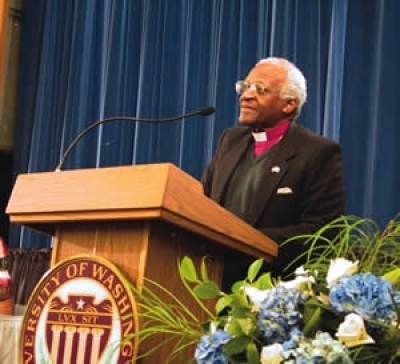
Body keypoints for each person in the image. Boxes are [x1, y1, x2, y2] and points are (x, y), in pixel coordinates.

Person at [201, 57, 345, 289]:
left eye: (260, 89)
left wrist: (246, 240)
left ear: (289, 104)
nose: (246, 95)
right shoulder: (230, 140)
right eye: (245, 86)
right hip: (212, 281)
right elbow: (201, 202)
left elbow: (321, 232)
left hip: (273, 289)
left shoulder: (318, 152)